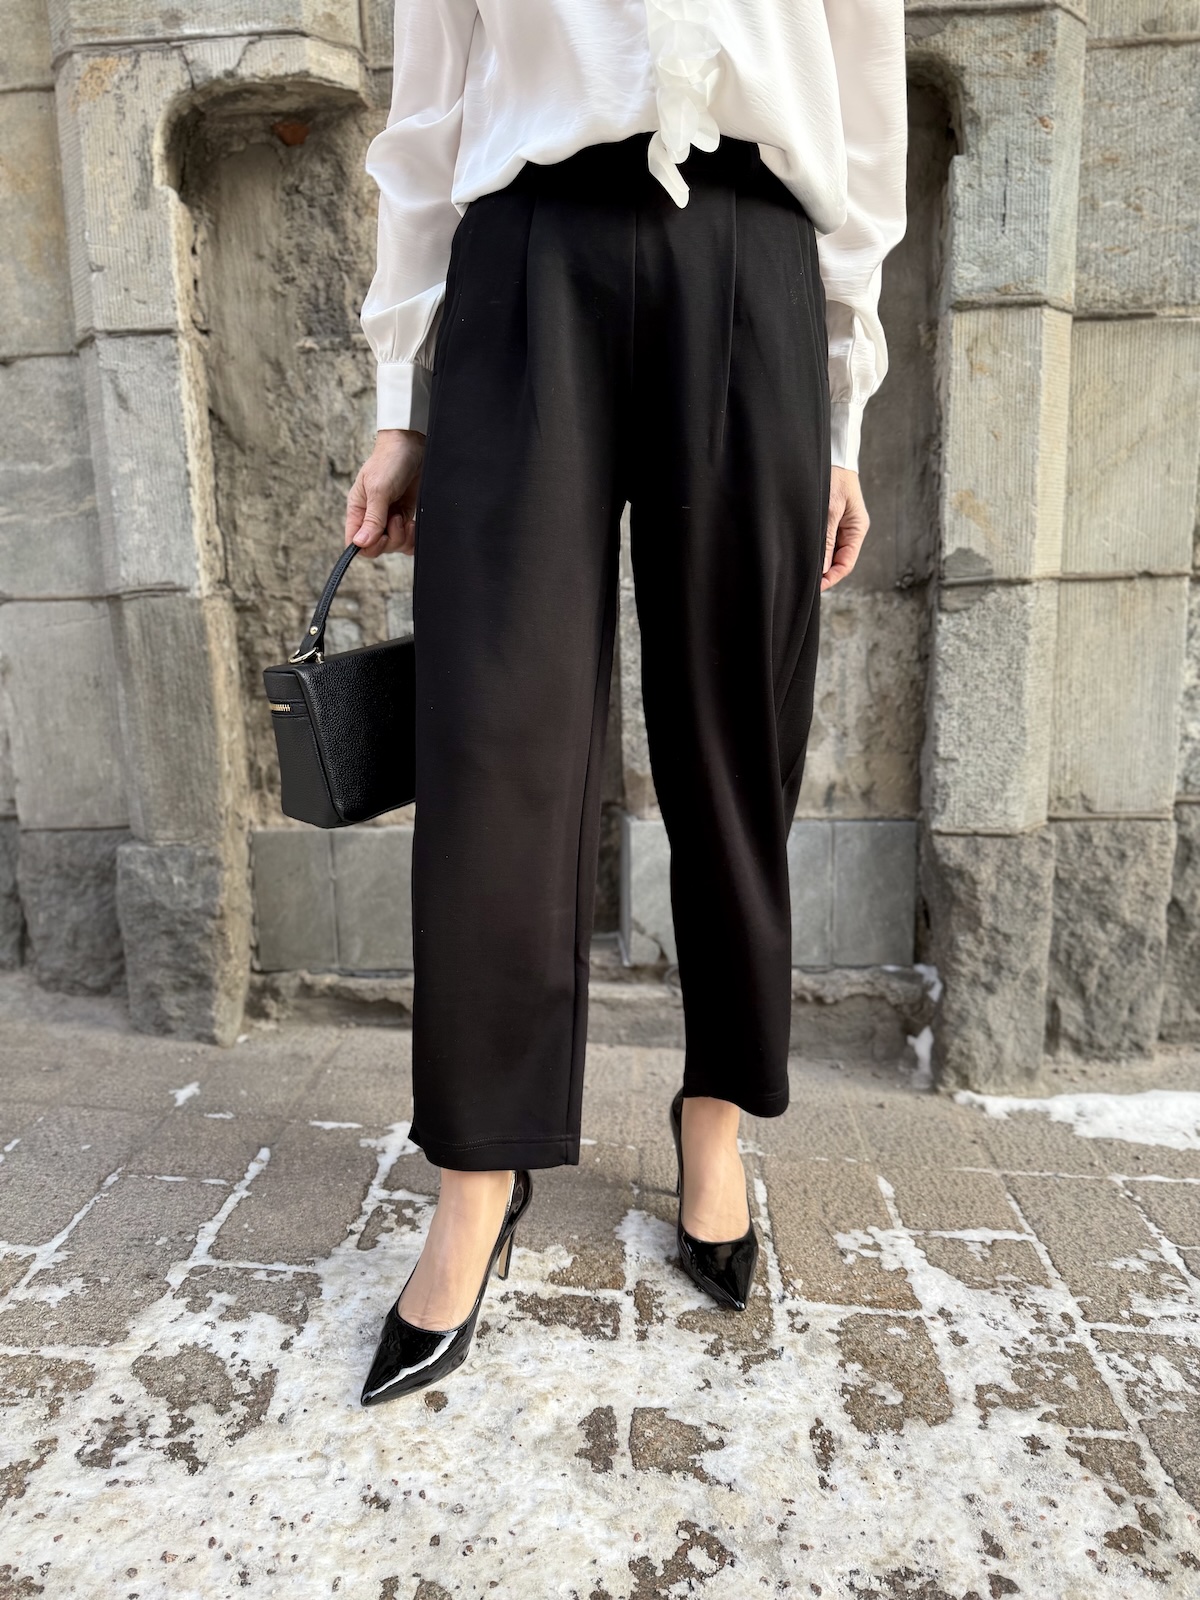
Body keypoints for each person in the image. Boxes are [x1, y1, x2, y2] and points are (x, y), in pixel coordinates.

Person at [346, 0, 907, 1406]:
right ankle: (479, 1173)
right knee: (494, 734)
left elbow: (861, 105)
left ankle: (714, 1115)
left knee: (738, 727)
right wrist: (400, 398)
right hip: (524, 252)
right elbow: (429, 105)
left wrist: (842, 408)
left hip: (757, 252)